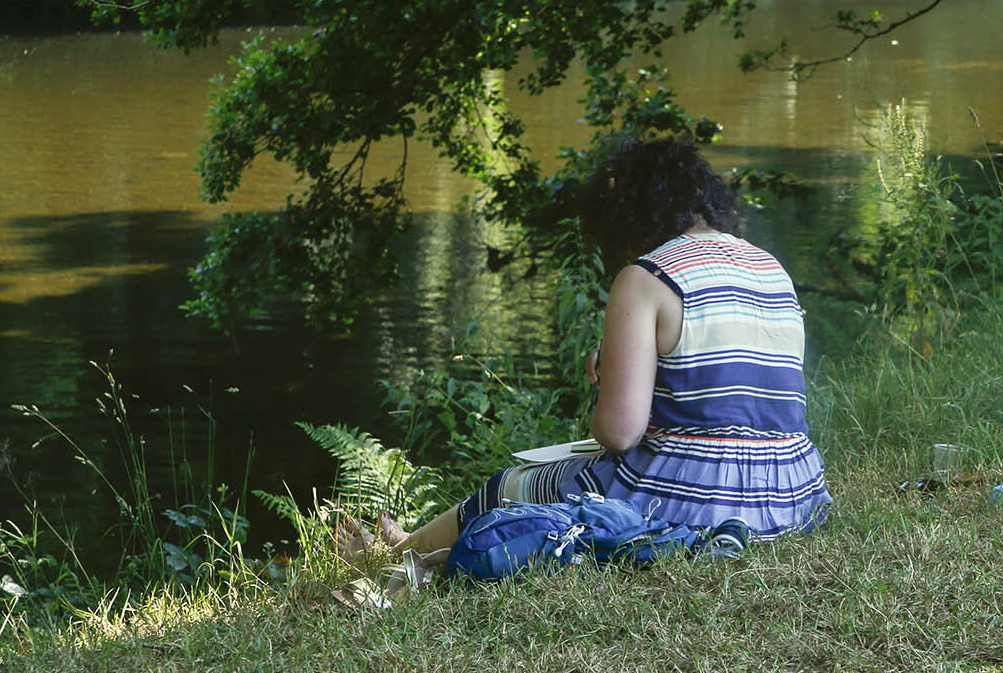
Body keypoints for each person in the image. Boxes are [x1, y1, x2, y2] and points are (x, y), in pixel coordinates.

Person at [351, 137, 830, 574]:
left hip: (702, 500)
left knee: (513, 484)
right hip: (791, 495)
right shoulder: (771, 268)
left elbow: (619, 433)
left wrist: (608, 380)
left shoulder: (648, 276)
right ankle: (409, 549)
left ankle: (401, 560)